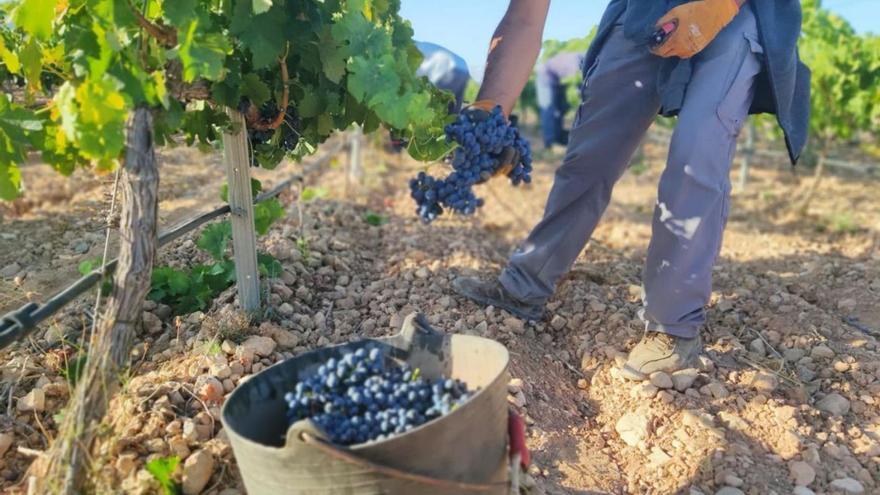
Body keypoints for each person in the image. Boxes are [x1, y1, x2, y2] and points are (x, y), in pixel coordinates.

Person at [452, 0, 810, 378]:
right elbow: (525, 17)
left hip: (737, 14)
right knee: (590, 154)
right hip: (644, 9)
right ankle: (524, 285)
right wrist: (492, 106)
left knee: (695, 156)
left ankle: (672, 326)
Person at [535, 51, 585, 148]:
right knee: (548, 109)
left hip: (558, 81)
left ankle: (558, 137)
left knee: (560, 109)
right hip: (544, 78)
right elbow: (575, 84)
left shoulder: (580, 59)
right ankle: (549, 143)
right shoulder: (574, 63)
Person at [415, 41, 472, 114]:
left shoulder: (409, 49)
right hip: (462, 68)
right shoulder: (422, 46)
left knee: (433, 105)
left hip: (448, 68)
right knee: (453, 107)